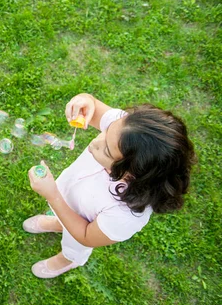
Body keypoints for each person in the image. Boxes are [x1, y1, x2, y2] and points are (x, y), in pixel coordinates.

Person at [24, 93, 196, 278]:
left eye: (106, 150)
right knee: (64, 215)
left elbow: (85, 235)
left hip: (81, 231)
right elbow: (94, 107)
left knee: (73, 244)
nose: (94, 142)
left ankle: (66, 260)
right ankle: (59, 222)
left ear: (130, 174)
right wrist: (85, 102)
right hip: (70, 197)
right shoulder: (125, 130)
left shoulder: (125, 215)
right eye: (106, 131)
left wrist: (53, 196)